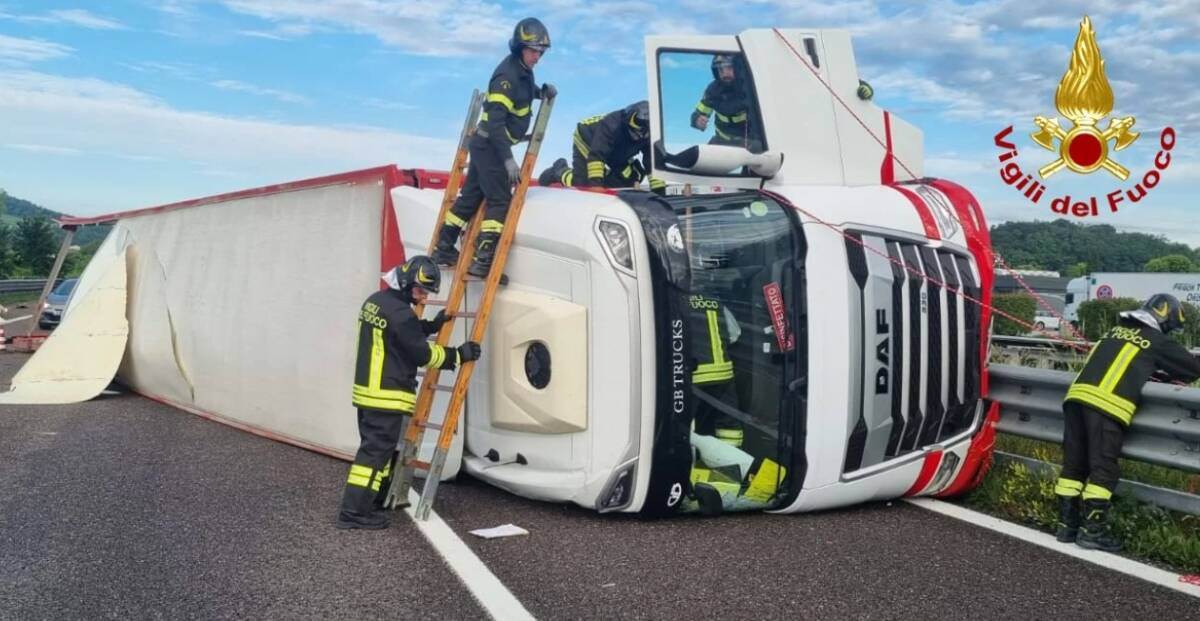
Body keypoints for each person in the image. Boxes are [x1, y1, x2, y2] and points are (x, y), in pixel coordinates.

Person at [335, 256, 482, 530]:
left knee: (377, 453)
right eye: (420, 290)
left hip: (368, 394)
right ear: (405, 283)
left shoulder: (376, 302)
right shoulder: (402, 314)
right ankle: (353, 513)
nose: (423, 296)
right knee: (373, 457)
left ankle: (372, 501)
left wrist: (430, 326)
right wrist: (459, 355)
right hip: (386, 395)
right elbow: (423, 354)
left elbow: (399, 334)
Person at [1054, 294, 1200, 551]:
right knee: (1103, 470)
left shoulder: (1114, 332)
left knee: (1074, 467)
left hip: (1075, 400)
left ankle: (1066, 527)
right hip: (1105, 405)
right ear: (1165, 318)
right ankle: (1092, 532)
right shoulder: (1156, 340)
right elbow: (1191, 369)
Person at [431, 17, 556, 278]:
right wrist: (508, 160)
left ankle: (443, 249)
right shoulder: (505, 77)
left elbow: (522, 91)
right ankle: (483, 261)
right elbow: (496, 125)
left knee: (470, 198)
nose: (537, 57)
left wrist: (539, 92)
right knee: (500, 200)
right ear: (520, 47)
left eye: (541, 52)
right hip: (491, 145)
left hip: (486, 146)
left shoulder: (522, 70)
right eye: (533, 51)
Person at [538, 100, 665, 194]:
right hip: (588, 140)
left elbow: (653, 164)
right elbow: (596, 156)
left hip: (616, 149)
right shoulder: (611, 125)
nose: (638, 136)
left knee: (627, 179)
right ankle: (559, 170)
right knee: (583, 185)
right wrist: (596, 186)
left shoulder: (650, 135)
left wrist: (660, 193)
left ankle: (603, 179)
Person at [690, 54, 757, 150]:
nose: (725, 74)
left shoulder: (750, 87)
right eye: (721, 70)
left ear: (738, 68)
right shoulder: (712, 90)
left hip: (749, 141)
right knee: (704, 156)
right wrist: (697, 121)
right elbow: (699, 113)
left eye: (729, 68)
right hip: (721, 141)